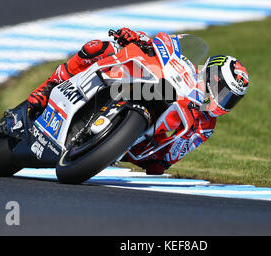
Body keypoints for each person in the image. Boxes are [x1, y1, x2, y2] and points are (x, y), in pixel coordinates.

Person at [27, 28, 249, 175]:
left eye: (231, 99)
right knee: (98, 47)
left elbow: (174, 152)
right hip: (144, 83)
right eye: (223, 92)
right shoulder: (187, 67)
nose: (223, 101)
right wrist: (138, 38)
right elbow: (163, 43)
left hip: (140, 142)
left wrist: (160, 161)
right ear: (211, 75)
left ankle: (104, 141)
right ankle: (48, 86)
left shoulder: (205, 125)